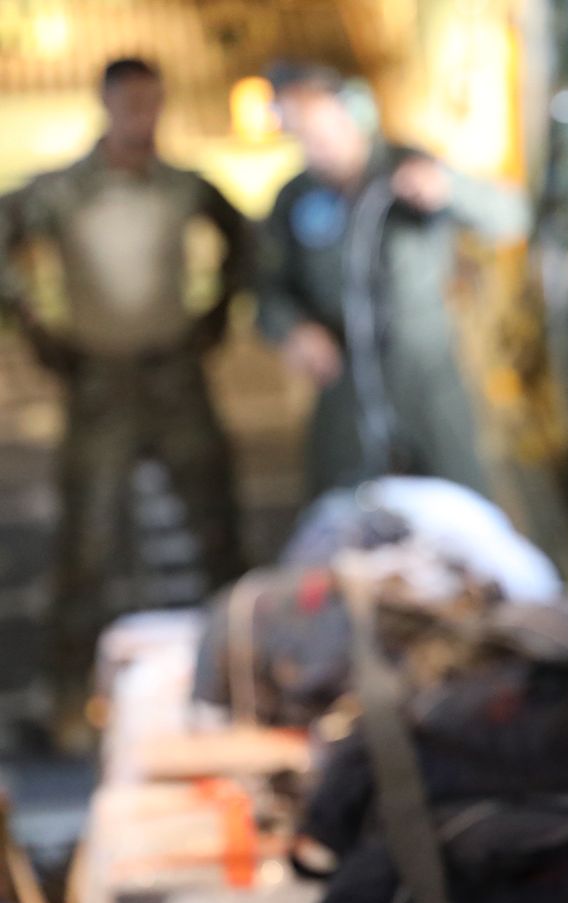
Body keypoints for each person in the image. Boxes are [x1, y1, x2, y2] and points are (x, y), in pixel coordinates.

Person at [0, 57, 247, 744]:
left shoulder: (180, 186)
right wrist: (34, 323)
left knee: (217, 532)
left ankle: (243, 677)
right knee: (86, 545)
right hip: (101, 384)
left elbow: (240, 237)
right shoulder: (65, 191)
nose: (143, 118)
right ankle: (70, 701)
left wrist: (217, 312)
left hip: (174, 377)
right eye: (131, 104)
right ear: (107, 105)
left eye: (153, 103)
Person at [257, 63, 529, 501]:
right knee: (337, 509)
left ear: (355, 115)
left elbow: (512, 217)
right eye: (305, 136)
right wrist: (293, 330)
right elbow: (267, 289)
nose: (320, 147)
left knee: (461, 502)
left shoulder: (409, 167)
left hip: (426, 378)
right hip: (342, 382)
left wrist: (449, 189)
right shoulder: (294, 197)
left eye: (326, 130)